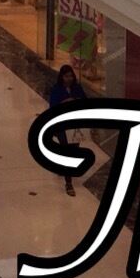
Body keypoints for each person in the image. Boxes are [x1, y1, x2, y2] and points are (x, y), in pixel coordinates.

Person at [46, 63, 88, 195]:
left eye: (71, 76)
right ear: (61, 77)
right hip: (62, 125)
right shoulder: (57, 89)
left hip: (75, 125)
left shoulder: (77, 88)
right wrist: (66, 102)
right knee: (67, 151)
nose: (69, 78)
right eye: (66, 76)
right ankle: (68, 183)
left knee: (74, 149)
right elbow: (53, 106)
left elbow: (85, 101)